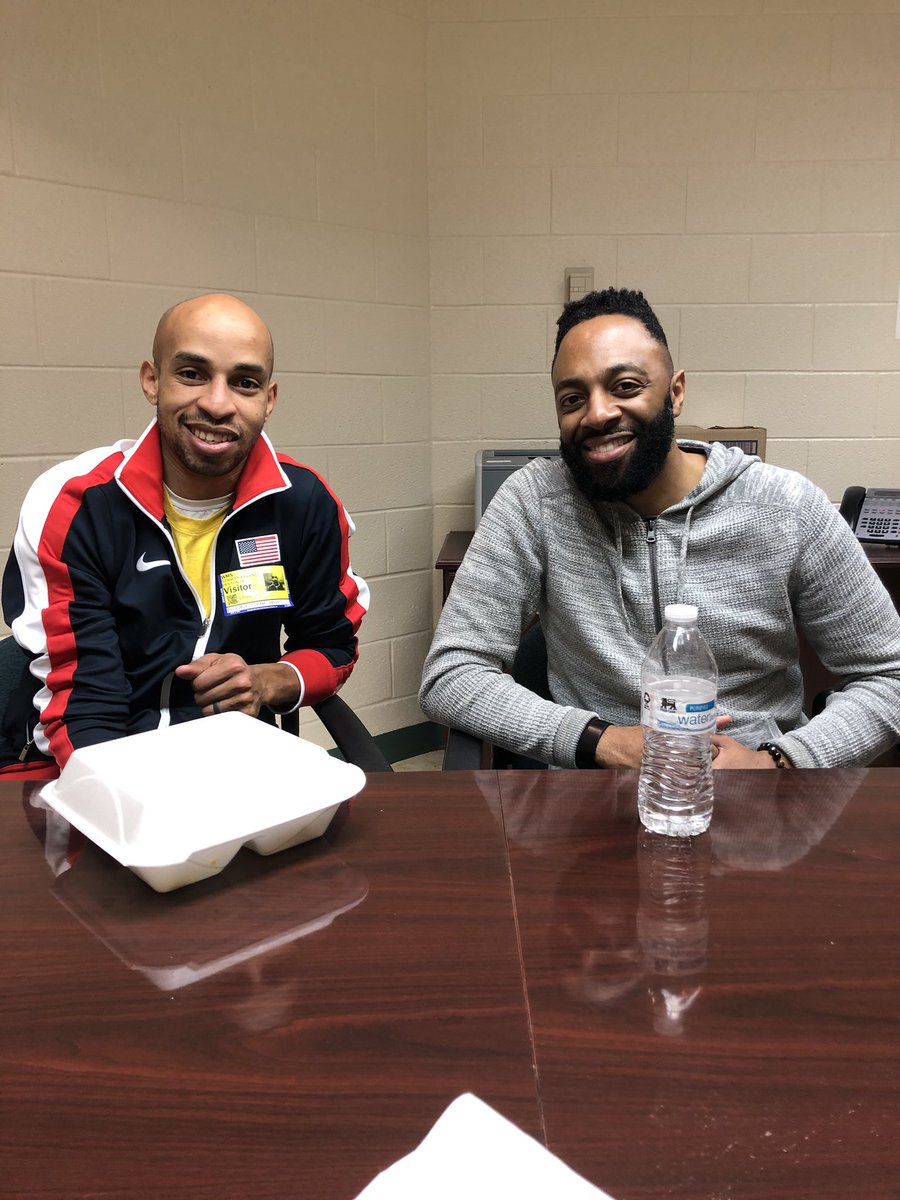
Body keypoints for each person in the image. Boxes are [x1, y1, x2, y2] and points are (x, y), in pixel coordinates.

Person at [419, 287, 900, 769]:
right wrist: (602, 742)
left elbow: (890, 676)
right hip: (590, 796)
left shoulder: (786, 506)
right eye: (572, 398)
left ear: (675, 392)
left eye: (625, 386)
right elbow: (452, 676)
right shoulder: (534, 502)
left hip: (758, 796)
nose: (599, 413)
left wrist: (781, 761)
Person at [2, 293, 368, 775]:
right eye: (192, 374)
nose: (218, 404)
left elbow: (331, 645)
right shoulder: (75, 504)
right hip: (93, 767)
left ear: (269, 399)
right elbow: (86, 703)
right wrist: (146, 820)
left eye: (244, 382)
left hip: (234, 764)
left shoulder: (305, 504)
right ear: (152, 381)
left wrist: (267, 681)